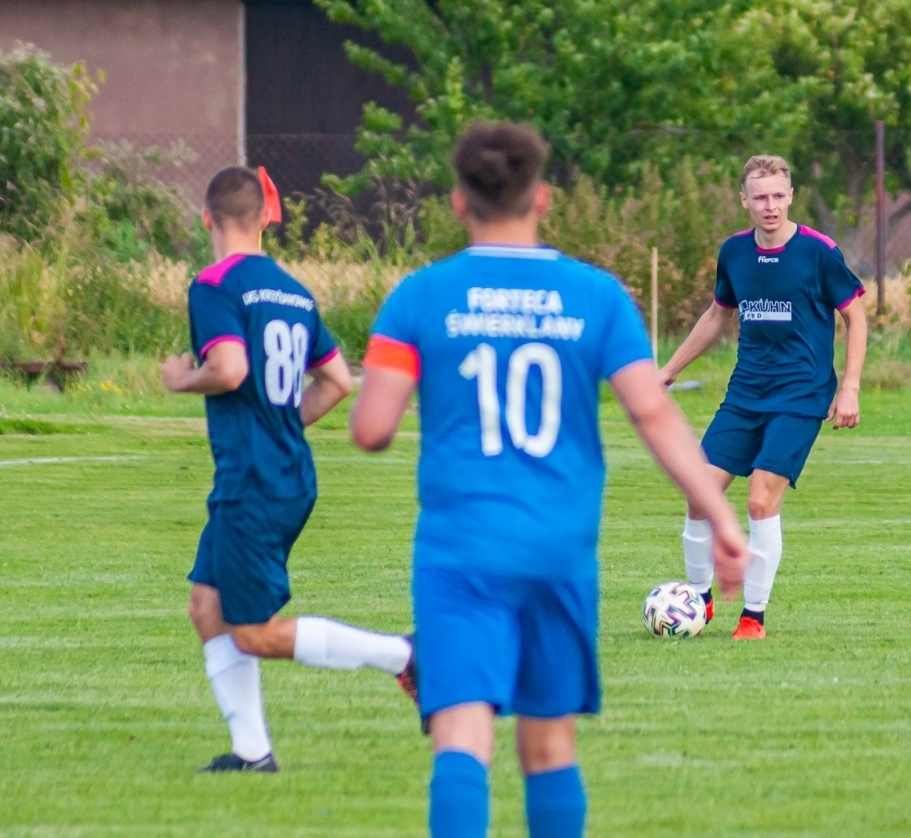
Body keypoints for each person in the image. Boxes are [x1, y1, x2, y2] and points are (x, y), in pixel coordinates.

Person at [349, 123, 749, 838]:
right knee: (550, 745)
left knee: (462, 738)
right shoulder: (594, 295)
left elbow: (372, 429)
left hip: (460, 550)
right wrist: (719, 516)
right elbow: (652, 412)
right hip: (556, 551)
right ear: (543, 198)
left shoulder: (420, 295)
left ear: (458, 202)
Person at [162, 167, 416, 774]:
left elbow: (228, 369)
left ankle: (402, 654)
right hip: (281, 473)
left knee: (251, 632)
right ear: (264, 220)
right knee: (207, 605)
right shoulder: (292, 290)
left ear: (207, 219)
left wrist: (181, 380)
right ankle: (251, 754)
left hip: (252, 481)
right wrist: (283, 427)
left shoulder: (213, 284)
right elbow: (337, 381)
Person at [659, 155, 868, 640]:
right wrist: (668, 370)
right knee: (698, 492)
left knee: (758, 501)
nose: (770, 205)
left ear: (791, 195)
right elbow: (717, 316)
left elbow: (856, 317)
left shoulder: (818, 252)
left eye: (778, 195)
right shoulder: (733, 252)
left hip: (801, 395)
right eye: (760, 197)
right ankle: (697, 602)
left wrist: (850, 385)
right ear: (744, 200)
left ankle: (753, 616)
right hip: (745, 393)